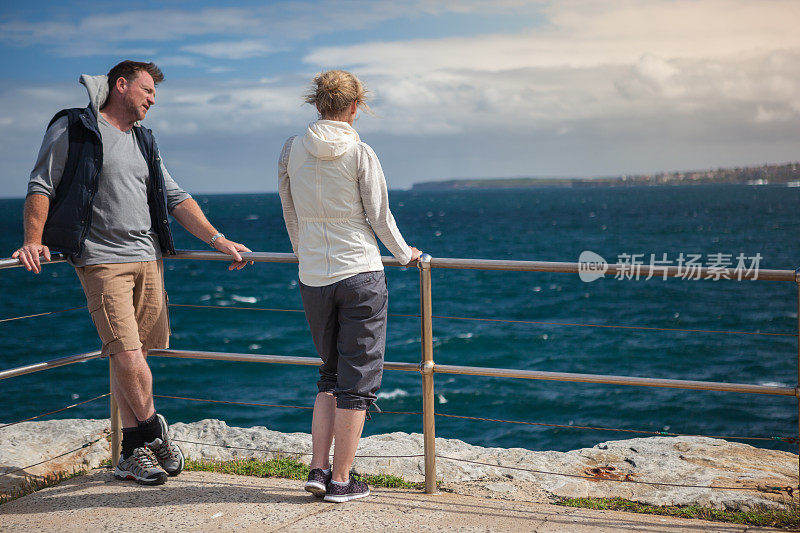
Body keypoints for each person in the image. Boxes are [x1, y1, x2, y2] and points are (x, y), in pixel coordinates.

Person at [13, 60, 252, 486]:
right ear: (120, 86)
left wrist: (219, 240)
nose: (153, 99)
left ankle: (130, 452)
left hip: (147, 257)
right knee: (125, 353)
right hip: (101, 260)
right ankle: (154, 431)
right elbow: (41, 184)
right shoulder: (75, 127)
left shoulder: (143, 139)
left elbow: (175, 197)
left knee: (136, 358)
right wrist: (34, 239)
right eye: (147, 90)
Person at [278, 70, 421, 503]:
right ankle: (342, 480)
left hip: (314, 277)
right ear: (355, 106)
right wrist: (404, 253)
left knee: (329, 374)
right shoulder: (360, 152)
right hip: (360, 273)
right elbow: (379, 216)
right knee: (356, 382)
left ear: (316, 103)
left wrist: (306, 256)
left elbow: (289, 209)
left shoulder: (291, 149)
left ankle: (318, 471)